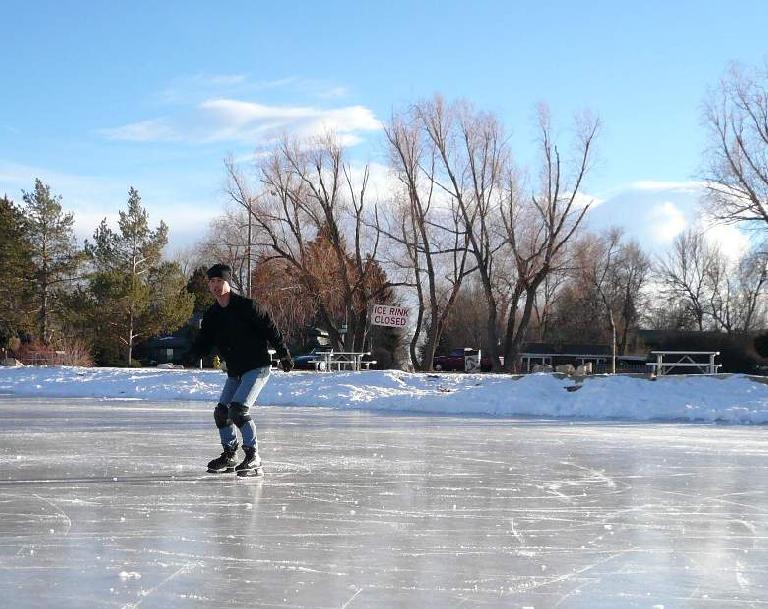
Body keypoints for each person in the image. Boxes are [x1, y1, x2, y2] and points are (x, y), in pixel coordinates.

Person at [186, 263, 293, 476]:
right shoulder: (212, 314)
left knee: (238, 410)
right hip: (235, 370)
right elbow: (204, 341)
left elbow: (271, 329)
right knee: (222, 413)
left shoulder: (248, 307)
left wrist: (284, 354)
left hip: (257, 366)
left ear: (228, 282)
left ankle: (254, 457)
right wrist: (191, 355)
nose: (215, 285)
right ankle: (230, 455)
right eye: (212, 281)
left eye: (220, 281)